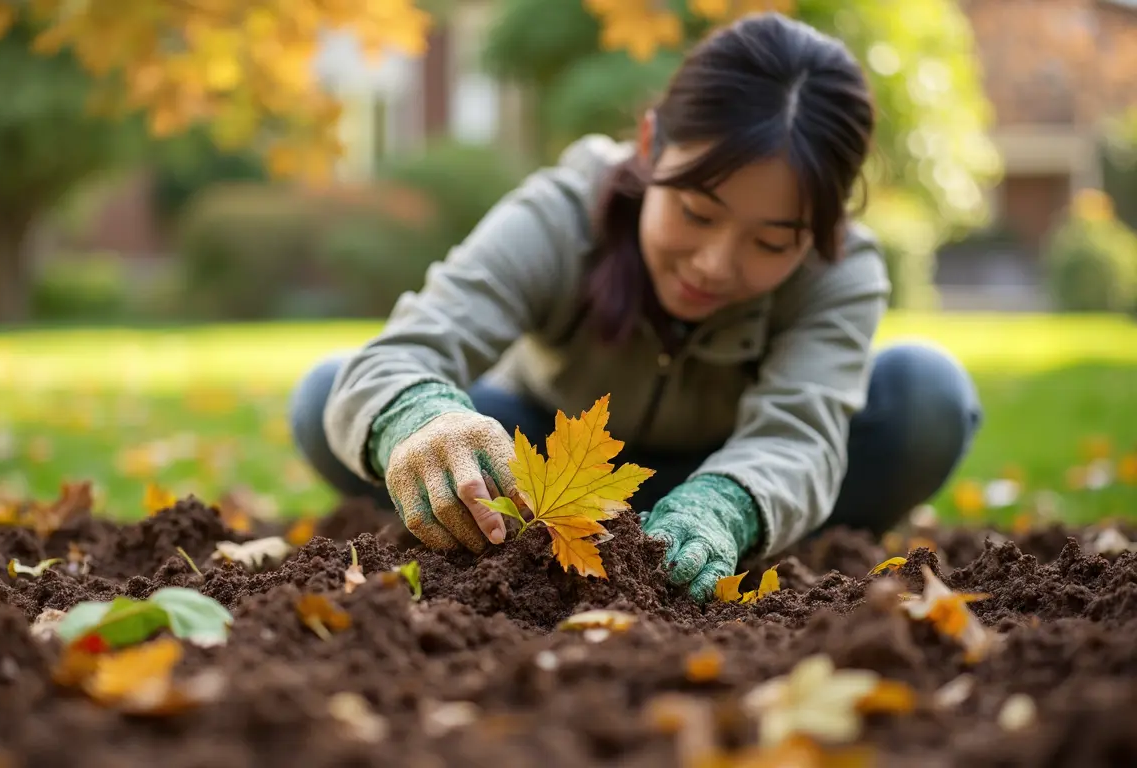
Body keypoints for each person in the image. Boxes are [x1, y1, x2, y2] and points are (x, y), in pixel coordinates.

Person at [289, 12, 982, 603]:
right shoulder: (565, 210)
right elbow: (413, 345)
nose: (715, 263)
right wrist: (422, 418)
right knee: (335, 395)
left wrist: (729, 504)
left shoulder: (843, 271)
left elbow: (799, 432)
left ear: (822, 226)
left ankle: (749, 535)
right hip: (545, 467)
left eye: (772, 241)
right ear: (652, 147)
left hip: (737, 468)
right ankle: (496, 523)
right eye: (695, 211)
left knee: (928, 397)